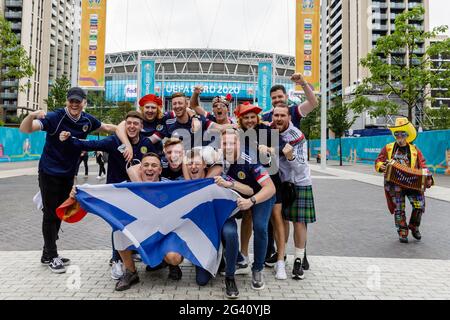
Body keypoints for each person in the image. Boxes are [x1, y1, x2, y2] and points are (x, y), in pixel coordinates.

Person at [19, 86, 117, 273]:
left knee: (60, 211)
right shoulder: (55, 117)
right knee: (49, 213)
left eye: (78, 101)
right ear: (66, 101)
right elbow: (26, 129)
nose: (74, 104)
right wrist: (32, 116)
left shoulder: (87, 120)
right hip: (49, 171)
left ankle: (48, 253)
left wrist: (126, 131)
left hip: (68, 173)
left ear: (84, 103)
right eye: (71, 101)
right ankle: (53, 255)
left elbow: (106, 127)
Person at [59, 111, 156, 279]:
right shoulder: (114, 141)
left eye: (136, 123)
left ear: (141, 126)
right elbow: (87, 145)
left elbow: (155, 162)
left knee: (136, 224)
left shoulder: (147, 143)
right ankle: (116, 260)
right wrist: (68, 139)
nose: (132, 126)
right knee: (117, 226)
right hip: (116, 193)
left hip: (137, 194)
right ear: (124, 125)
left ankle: (132, 252)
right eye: (129, 123)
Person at [181, 148, 253, 299]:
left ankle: (230, 277)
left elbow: (249, 190)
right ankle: (214, 259)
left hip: (222, 221)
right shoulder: (182, 184)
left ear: (205, 165)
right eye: (189, 164)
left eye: (197, 163)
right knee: (201, 281)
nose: (193, 167)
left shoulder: (219, 179)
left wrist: (230, 185)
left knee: (230, 233)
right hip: (202, 230)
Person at [233, 102, 287, 280]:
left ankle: (280, 262)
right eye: (245, 117)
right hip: (249, 183)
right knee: (247, 217)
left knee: (274, 220)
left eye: (252, 117)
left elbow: (286, 149)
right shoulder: (238, 134)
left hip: (271, 182)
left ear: (257, 117)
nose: (249, 120)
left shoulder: (268, 132)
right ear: (241, 119)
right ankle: (244, 259)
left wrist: (270, 149)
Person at [221, 129, 276, 290]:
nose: (228, 146)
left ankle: (258, 268)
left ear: (239, 143)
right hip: (239, 193)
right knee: (221, 223)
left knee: (259, 227)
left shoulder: (249, 159)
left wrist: (251, 201)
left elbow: (270, 188)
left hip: (261, 194)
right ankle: (240, 260)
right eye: (225, 143)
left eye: (232, 142)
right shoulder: (218, 158)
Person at [272, 104, 317, 280]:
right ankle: (281, 256)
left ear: (289, 117)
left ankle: (298, 260)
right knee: (281, 221)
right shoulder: (270, 132)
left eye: (283, 115)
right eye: (276, 115)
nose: (279, 119)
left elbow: (300, 167)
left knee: (299, 222)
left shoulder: (297, 136)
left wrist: (290, 156)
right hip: (282, 182)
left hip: (299, 182)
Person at [375, 117, 433, 243]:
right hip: (395, 184)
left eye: (402, 133)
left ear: (407, 135)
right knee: (399, 208)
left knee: (419, 206)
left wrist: (427, 176)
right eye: (397, 133)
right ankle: (402, 231)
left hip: (413, 183)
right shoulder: (388, 148)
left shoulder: (414, 150)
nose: (399, 135)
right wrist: (381, 166)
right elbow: (378, 161)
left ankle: (414, 226)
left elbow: (423, 164)